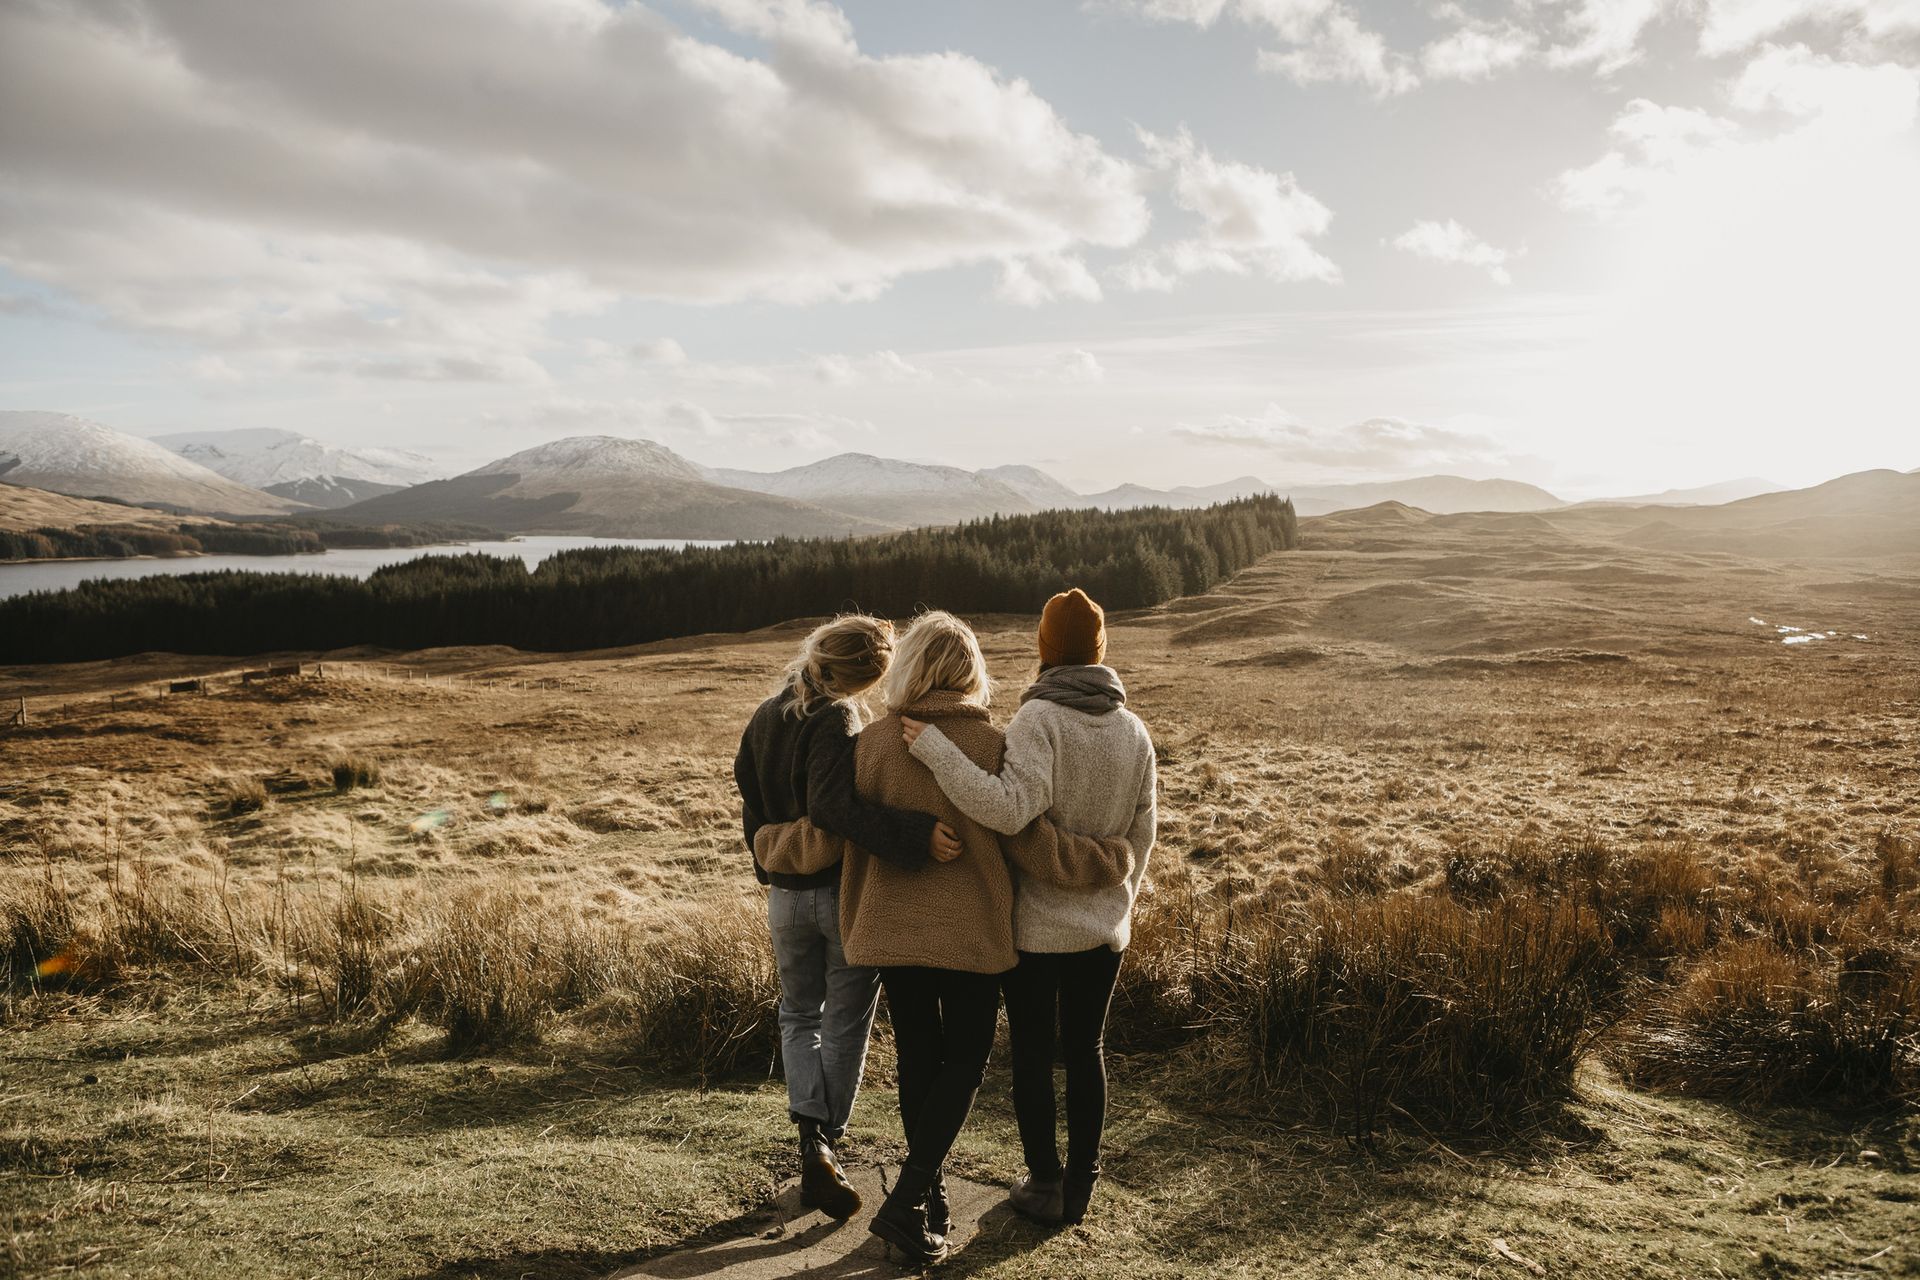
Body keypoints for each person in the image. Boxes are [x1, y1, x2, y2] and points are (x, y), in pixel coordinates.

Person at [756, 610, 1134, 1267]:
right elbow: (1025, 839)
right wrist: (1110, 862)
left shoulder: (872, 742)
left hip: (891, 932)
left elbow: (840, 824)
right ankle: (908, 1199)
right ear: (971, 673)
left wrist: (767, 843)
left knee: (920, 1064)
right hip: (972, 935)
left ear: (910, 668)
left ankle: (926, 1201)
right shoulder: (995, 745)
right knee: (963, 1061)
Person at [900, 588, 1156, 1226]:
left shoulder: (1039, 720)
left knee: (1036, 1055)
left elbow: (1009, 810)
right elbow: (1143, 833)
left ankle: (1044, 1181)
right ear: (1100, 649)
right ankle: (1082, 1186)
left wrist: (936, 751)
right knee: (1088, 1047)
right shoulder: (1133, 730)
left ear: (1045, 649)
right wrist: (1121, 902)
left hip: (1038, 928)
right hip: (1104, 929)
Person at [732, 614, 964, 1222]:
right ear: (867, 677)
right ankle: (822, 1145)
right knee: (846, 1018)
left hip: (784, 896)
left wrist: (769, 861)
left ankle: (814, 1141)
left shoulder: (765, 713)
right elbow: (836, 808)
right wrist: (913, 834)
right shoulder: (836, 715)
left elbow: (748, 797)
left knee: (797, 1013)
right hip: (837, 893)